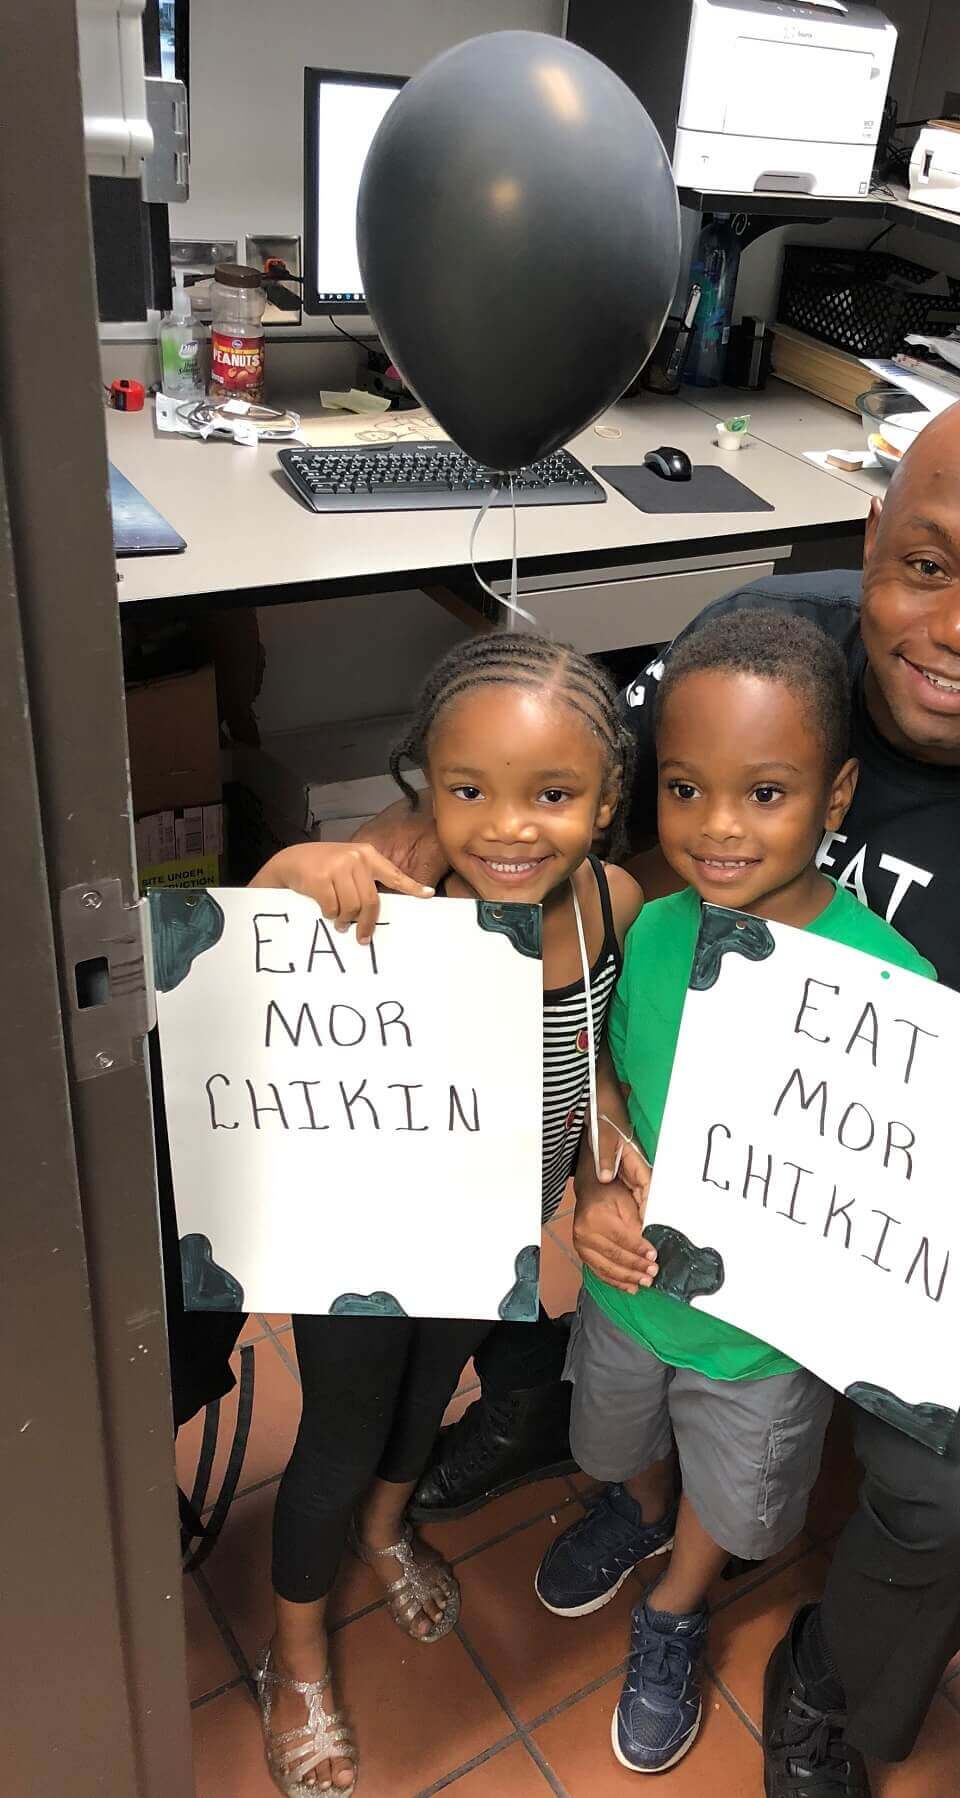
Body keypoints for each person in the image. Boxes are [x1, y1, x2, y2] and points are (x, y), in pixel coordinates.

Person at [363, 384, 960, 1793]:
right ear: (872, 524)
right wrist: (413, 832)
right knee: (495, 1109)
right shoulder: (750, 651)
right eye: (926, 565)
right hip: (660, 1112)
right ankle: (551, 1409)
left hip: (946, 1228)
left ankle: (840, 1676)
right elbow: (564, 790)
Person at [531, 611, 960, 1774]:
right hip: (632, 1286)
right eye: (685, 787)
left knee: (739, 1487)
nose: (716, 827)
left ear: (836, 792)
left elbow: (934, 1182)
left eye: (763, 793)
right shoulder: (650, 929)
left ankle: (679, 1596)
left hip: (764, 1341)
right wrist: (599, 1167)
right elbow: (601, 1071)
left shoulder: (892, 985)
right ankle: (640, 1512)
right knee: (615, 1435)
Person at [248, 632, 643, 1796]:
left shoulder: (611, 902)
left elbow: (594, 1057)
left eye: (553, 794)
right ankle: (297, 1647)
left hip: (493, 1230)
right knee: (340, 1424)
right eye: (468, 789)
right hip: (364, 1237)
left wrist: (599, 1159)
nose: (508, 826)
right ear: (424, 779)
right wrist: (288, 874)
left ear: (607, 798)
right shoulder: (385, 886)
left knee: (429, 1396)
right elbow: (250, 941)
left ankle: (383, 1528)